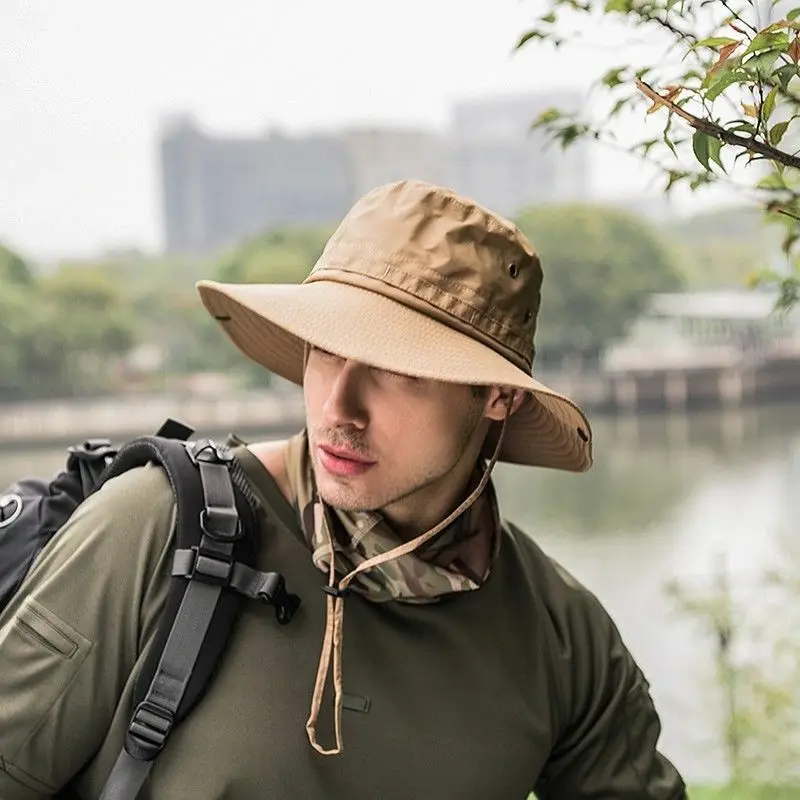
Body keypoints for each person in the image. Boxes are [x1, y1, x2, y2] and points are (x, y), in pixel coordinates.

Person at [0, 179, 686, 799]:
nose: (339, 408)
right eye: (325, 350)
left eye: (396, 369)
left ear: (497, 397)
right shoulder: (151, 527)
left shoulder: (562, 635)